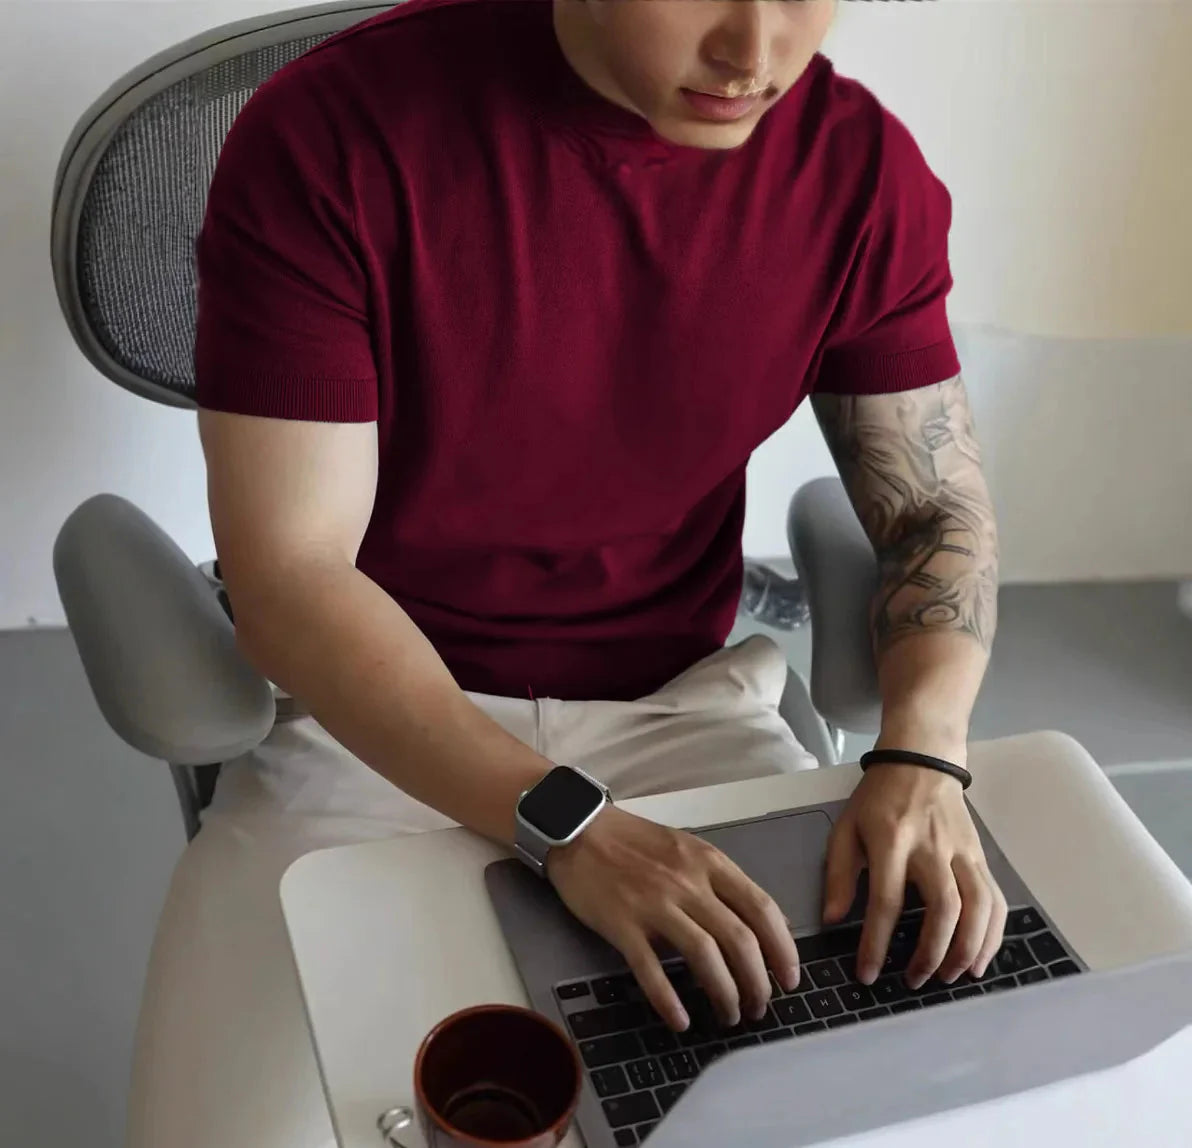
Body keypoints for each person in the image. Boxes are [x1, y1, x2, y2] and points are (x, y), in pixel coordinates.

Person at [130, 1, 1006, 1144]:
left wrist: (924, 751)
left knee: (877, 1105)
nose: (755, 52)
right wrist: (569, 825)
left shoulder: (855, 171)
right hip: (375, 723)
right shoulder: (334, 134)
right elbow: (293, 573)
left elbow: (932, 500)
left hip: (678, 704)